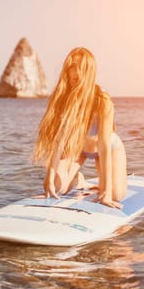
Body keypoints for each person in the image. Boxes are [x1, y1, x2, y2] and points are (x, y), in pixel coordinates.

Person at [32, 47, 127, 208]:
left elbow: (103, 145)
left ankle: (110, 181)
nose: (75, 72)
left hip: (108, 148)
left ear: (89, 73)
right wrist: (49, 178)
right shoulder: (64, 99)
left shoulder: (102, 100)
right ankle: (79, 181)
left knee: (116, 196)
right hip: (79, 148)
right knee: (56, 187)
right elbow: (59, 140)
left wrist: (108, 192)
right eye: (72, 67)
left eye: (80, 69)